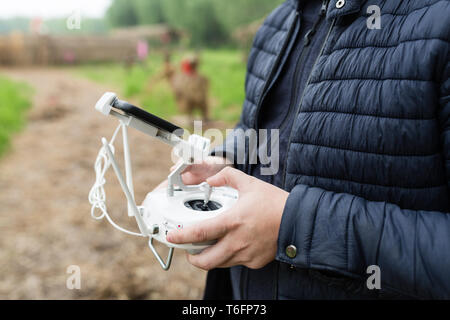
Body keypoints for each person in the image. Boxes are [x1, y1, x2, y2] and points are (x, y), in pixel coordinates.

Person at [156, 0, 450, 299]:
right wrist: (228, 160)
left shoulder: (439, 20)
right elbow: (263, 130)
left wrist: (294, 227)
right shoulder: (278, 22)